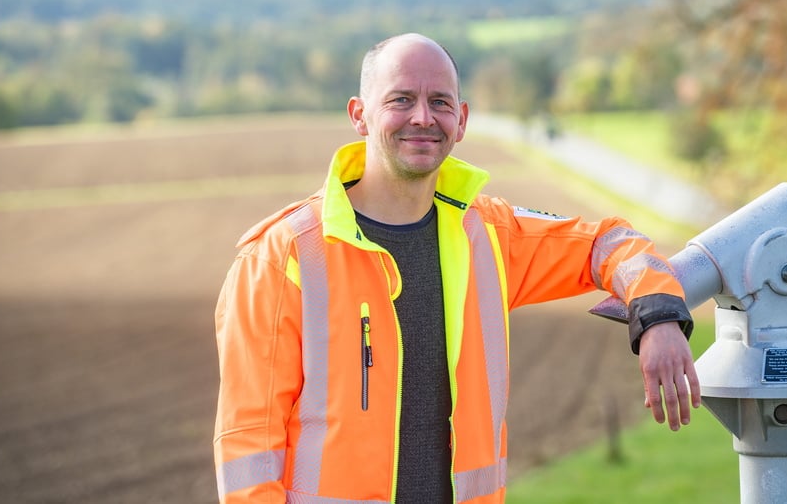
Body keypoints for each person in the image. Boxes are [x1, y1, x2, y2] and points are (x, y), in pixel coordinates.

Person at [213, 33, 701, 503]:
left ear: (462, 120)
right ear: (359, 115)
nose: (423, 117)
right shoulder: (281, 257)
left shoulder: (488, 234)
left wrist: (657, 315)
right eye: (401, 100)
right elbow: (248, 448)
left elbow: (608, 243)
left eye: (440, 102)